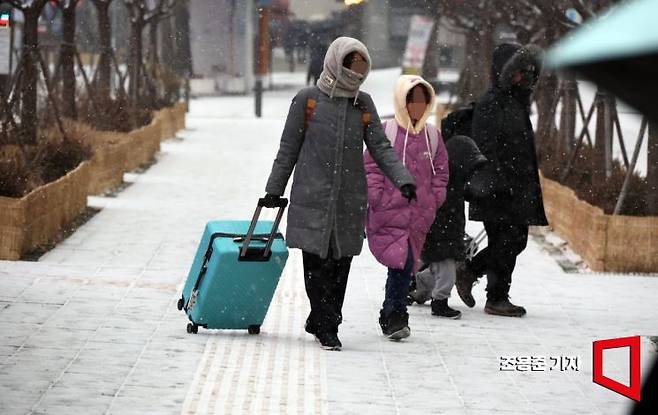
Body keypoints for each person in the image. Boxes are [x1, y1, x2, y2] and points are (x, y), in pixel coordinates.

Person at [265, 37, 415, 351]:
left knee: (340, 264)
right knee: (316, 265)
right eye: (351, 65)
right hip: (313, 197)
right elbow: (288, 149)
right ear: (337, 62)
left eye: (362, 67)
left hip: (349, 198)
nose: (356, 73)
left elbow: (380, 146)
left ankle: (323, 317)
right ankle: (327, 325)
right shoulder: (308, 100)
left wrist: (403, 179)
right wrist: (274, 189)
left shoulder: (363, 104)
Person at [455, 43, 548, 317]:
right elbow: (485, 148)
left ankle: (472, 272)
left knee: (513, 240)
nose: (525, 76)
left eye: (530, 71)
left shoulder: (517, 102)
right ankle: (496, 296)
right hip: (496, 188)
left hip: (517, 188)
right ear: (505, 72)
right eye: (520, 71)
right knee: (507, 240)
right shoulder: (491, 104)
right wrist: (498, 180)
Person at [364, 75, 449, 340]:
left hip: (419, 216)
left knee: (403, 265)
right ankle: (395, 316)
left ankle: (391, 313)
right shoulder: (386, 132)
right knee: (402, 264)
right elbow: (371, 166)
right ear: (403, 101)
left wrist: (434, 199)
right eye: (412, 100)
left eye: (424, 101)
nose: (418, 106)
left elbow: (442, 172)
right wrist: (377, 197)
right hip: (388, 213)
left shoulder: (432, 136)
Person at [410, 110, 489, 320]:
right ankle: (440, 302)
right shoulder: (441, 185)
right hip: (440, 235)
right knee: (447, 272)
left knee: (439, 269)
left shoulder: (453, 182)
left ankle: (416, 287)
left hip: (447, 234)